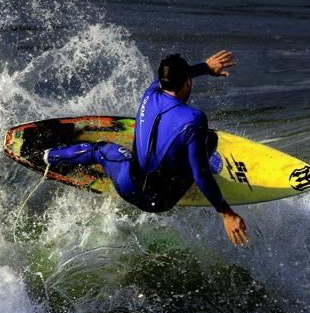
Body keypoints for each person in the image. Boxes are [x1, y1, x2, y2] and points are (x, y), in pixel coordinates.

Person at [42, 50, 249, 247]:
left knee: (99, 150)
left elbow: (172, 79)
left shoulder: (150, 93)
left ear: (162, 82)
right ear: (187, 82)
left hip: (127, 185)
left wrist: (204, 66)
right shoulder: (194, 119)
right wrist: (227, 213)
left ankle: (48, 155)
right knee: (209, 139)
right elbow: (200, 173)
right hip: (160, 200)